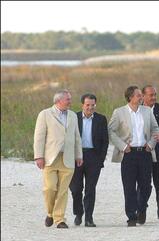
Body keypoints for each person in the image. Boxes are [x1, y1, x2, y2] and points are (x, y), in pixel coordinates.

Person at [108, 85, 159, 227]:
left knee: (146, 186)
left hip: (145, 153)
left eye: (140, 95)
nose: (141, 97)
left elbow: (156, 129)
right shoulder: (119, 112)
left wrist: (151, 144)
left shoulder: (147, 111)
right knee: (129, 186)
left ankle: (142, 208)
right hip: (128, 154)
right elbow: (111, 131)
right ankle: (131, 216)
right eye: (138, 95)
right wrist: (123, 146)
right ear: (130, 97)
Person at [34, 89, 83, 229]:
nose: (70, 102)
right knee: (50, 188)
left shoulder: (73, 115)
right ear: (58, 101)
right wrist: (39, 156)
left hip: (68, 158)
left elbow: (77, 137)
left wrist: (78, 155)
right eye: (68, 99)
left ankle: (60, 219)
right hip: (50, 158)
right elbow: (39, 137)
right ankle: (50, 213)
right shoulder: (45, 114)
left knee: (62, 190)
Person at [69, 93, 109, 227]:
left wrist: (100, 160)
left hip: (93, 157)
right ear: (82, 105)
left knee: (90, 189)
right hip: (76, 157)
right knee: (75, 189)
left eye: (93, 105)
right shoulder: (73, 117)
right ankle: (78, 213)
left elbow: (105, 141)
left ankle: (89, 218)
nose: (90, 108)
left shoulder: (101, 119)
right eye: (87, 105)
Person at [137, 85, 159, 223]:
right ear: (143, 96)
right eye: (151, 95)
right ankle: (141, 210)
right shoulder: (136, 110)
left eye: (155, 94)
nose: (154, 97)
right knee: (143, 183)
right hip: (142, 153)